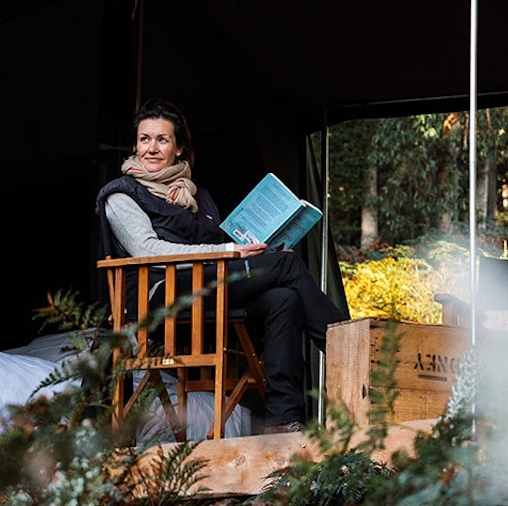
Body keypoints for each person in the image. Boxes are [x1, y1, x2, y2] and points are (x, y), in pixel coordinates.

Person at [95, 98, 349, 435]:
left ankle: (283, 420)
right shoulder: (121, 195)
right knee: (287, 265)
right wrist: (230, 251)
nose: (151, 149)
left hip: (206, 293)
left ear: (180, 149)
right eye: (144, 139)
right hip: (158, 299)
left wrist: (261, 250)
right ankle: (354, 352)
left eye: (162, 140)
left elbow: (222, 248)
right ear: (135, 145)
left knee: (284, 299)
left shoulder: (197, 197)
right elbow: (147, 249)